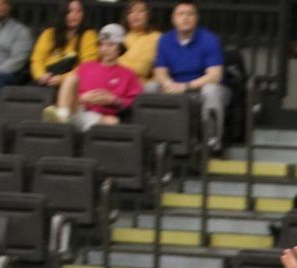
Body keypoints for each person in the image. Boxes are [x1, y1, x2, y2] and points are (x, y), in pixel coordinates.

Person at [152, 1, 228, 155]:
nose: (185, 18)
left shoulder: (209, 39)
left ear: (196, 18)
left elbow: (215, 75)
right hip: (175, 86)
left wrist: (186, 86)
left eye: (190, 14)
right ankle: (155, 143)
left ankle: (212, 142)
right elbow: (159, 72)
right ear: (173, 18)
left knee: (211, 90)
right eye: (181, 14)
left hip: (201, 89)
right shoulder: (165, 40)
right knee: (150, 87)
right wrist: (169, 84)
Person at [43, 23, 141, 131]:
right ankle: (61, 117)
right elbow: (71, 93)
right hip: (77, 110)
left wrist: (113, 100)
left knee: (113, 121)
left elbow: (134, 104)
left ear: (120, 48)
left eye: (110, 45)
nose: (105, 49)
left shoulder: (128, 74)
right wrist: (84, 98)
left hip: (101, 116)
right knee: (71, 78)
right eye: (102, 44)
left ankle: (61, 123)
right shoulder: (85, 67)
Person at [30, 0, 98, 88]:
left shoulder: (89, 35)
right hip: (46, 78)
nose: (74, 15)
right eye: (69, 11)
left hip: (71, 82)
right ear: (62, 13)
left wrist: (62, 79)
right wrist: (40, 75)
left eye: (78, 11)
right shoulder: (49, 33)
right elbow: (37, 59)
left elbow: (87, 65)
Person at [119, 0, 160, 82]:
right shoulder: (122, 36)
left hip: (142, 86)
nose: (135, 15)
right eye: (131, 12)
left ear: (148, 15)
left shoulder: (156, 37)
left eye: (140, 11)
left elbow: (142, 68)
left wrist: (118, 66)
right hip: (118, 81)